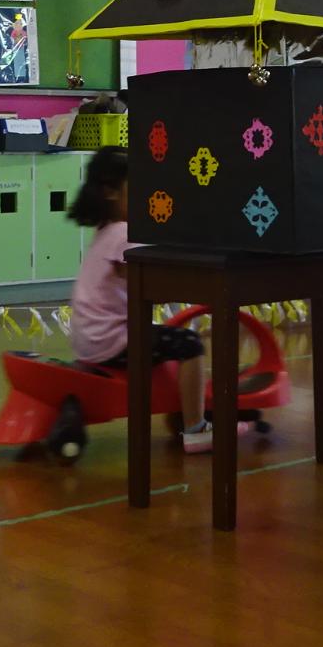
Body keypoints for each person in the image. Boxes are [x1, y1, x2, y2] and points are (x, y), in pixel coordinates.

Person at [68, 147, 237, 452]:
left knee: (165, 336)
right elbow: (152, 284)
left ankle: (184, 411)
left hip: (89, 339)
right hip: (112, 339)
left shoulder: (106, 230)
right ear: (110, 192)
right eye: (137, 189)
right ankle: (196, 429)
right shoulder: (124, 233)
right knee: (189, 344)